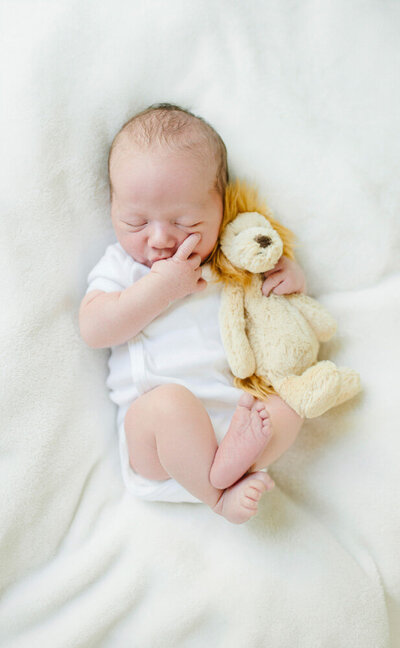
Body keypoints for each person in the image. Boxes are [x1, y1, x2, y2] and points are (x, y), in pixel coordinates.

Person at [79, 103, 306, 524]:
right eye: (136, 221)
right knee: (167, 403)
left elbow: (269, 313)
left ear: (222, 206)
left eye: (185, 221)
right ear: (112, 209)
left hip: (238, 427)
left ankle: (229, 468)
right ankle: (217, 496)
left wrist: (287, 277)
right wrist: (160, 288)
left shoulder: (230, 257)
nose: (161, 238)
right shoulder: (123, 268)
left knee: (294, 401)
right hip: (160, 451)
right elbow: (94, 328)